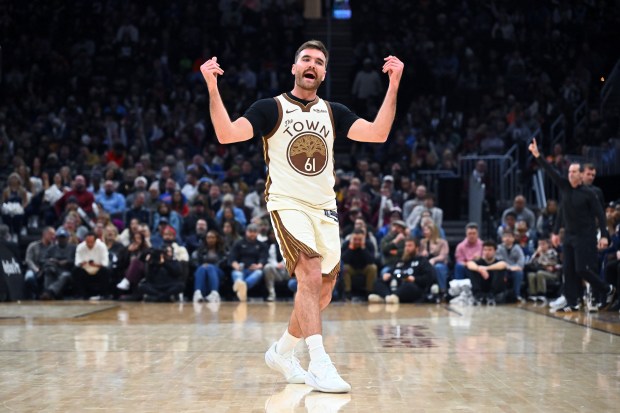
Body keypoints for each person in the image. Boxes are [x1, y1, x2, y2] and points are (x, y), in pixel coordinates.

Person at [200, 39, 403, 392]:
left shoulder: (333, 112)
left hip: (324, 207)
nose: (312, 64)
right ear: (294, 68)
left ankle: (281, 352)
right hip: (287, 202)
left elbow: (379, 133)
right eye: (305, 59)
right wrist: (212, 87)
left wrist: (394, 84)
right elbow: (226, 133)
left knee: (320, 293)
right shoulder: (271, 108)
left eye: (319, 61)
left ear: (324, 73)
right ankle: (320, 363)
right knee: (308, 272)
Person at [529, 138, 615, 312]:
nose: (570, 174)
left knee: (582, 269)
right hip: (569, 235)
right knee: (568, 271)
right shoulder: (565, 187)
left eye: (574, 171)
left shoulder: (590, 194)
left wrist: (605, 235)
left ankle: (607, 289)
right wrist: (538, 156)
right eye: (569, 171)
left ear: (581, 175)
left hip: (585, 236)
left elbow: (600, 215)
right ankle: (572, 301)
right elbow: (550, 171)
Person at [368, 237, 434, 304]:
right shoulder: (401, 261)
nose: (407, 248)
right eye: (406, 246)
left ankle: (387, 298)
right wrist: (387, 274)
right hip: (396, 284)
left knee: (409, 286)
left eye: (410, 246)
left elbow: (429, 278)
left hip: (412, 287)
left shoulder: (422, 261)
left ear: (417, 248)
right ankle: (388, 297)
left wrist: (415, 279)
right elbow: (392, 271)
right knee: (378, 281)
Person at [227, 223, 268, 301]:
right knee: (237, 274)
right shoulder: (238, 243)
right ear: (246, 232)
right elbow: (232, 258)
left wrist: (258, 266)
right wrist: (236, 266)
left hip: (254, 271)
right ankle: (242, 289)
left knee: (259, 273)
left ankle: (242, 287)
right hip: (240, 269)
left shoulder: (262, 245)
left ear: (258, 233)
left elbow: (264, 259)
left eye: (254, 232)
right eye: (250, 231)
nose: (252, 234)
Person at [39, 228, 76, 300]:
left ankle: (49, 292)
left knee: (65, 275)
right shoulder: (52, 248)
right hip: (55, 269)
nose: (61, 240)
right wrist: (51, 260)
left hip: (68, 271)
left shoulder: (73, 248)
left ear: (68, 238)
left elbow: (77, 261)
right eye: (60, 238)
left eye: (63, 238)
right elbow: (42, 260)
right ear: (57, 238)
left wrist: (67, 262)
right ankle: (49, 295)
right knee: (48, 270)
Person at [71, 231, 111, 300]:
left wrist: (96, 264)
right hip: (85, 270)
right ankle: (81, 295)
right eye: (87, 241)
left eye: (91, 242)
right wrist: (82, 263)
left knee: (105, 270)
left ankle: (104, 294)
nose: (89, 244)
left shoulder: (102, 246)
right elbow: (77, 262)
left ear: (95, 241)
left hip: (98, 268)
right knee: (76, 270)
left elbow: (105, 263)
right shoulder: (80, 247)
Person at [466, 240, 508, 305]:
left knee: (499, 270)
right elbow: (469, 264)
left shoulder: (498, 261)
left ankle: (492, 295)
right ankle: (478, 295)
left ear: (495, 251)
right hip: (482, 286)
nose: (487, 252)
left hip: (494, 289)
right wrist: (479, 269)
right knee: (473, 270)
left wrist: (486, 268)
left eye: (490, 250)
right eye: (485, 250)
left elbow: (503, 264)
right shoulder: (479, 261)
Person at [341, 228, 378, 300]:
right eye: (355, 239)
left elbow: (371, 260)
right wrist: (351, 248)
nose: (357, 242)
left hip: (364, 268)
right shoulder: (346, 244)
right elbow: (343, 260)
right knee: (344, 268)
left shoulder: (369, 244)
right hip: (352, 268)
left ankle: (369, 292)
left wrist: (363, 248)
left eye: (359, 239)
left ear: (364, 238)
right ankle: (347, 293)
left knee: (373, 267)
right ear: (351, 238)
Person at [191, 230, 227, 304]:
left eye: (212, 237)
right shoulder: (200, 250)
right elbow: (194, 262)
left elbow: (224, 263)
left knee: (210, 267)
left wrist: (211, 266)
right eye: (208, 237)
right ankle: (198, 293)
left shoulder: (223, 250)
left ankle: (214, 293)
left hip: (218, 272)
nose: (210, 239)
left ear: (217, 239)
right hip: (203, 271)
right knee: (201, 268)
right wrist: (203, 266)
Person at [526, 238, 560, 303]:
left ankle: (541, 294)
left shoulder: (552, 252)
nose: (541, 246)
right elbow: (530, 263)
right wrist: (536, 254)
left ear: (548, 245)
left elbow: (548, 263)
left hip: (552, 274)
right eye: (540, 244)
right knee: (531, 275)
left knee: (540, 273)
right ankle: (533, 295)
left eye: (543, 244)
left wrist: (541, 256)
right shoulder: (537, 253)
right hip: (542, 271)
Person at [496, 229, 526, 302]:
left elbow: (521, 260)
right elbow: (498, 260)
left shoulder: (517, 248)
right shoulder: (498, 248)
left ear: (513, 238)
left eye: (509, 237)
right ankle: (501, 295)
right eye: (505, 237)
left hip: (515, 269)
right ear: (502, 238)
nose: (507, 238)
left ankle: (517, 295)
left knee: (519, 273)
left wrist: (516, 267)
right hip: (503, 269)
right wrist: (508, 267)